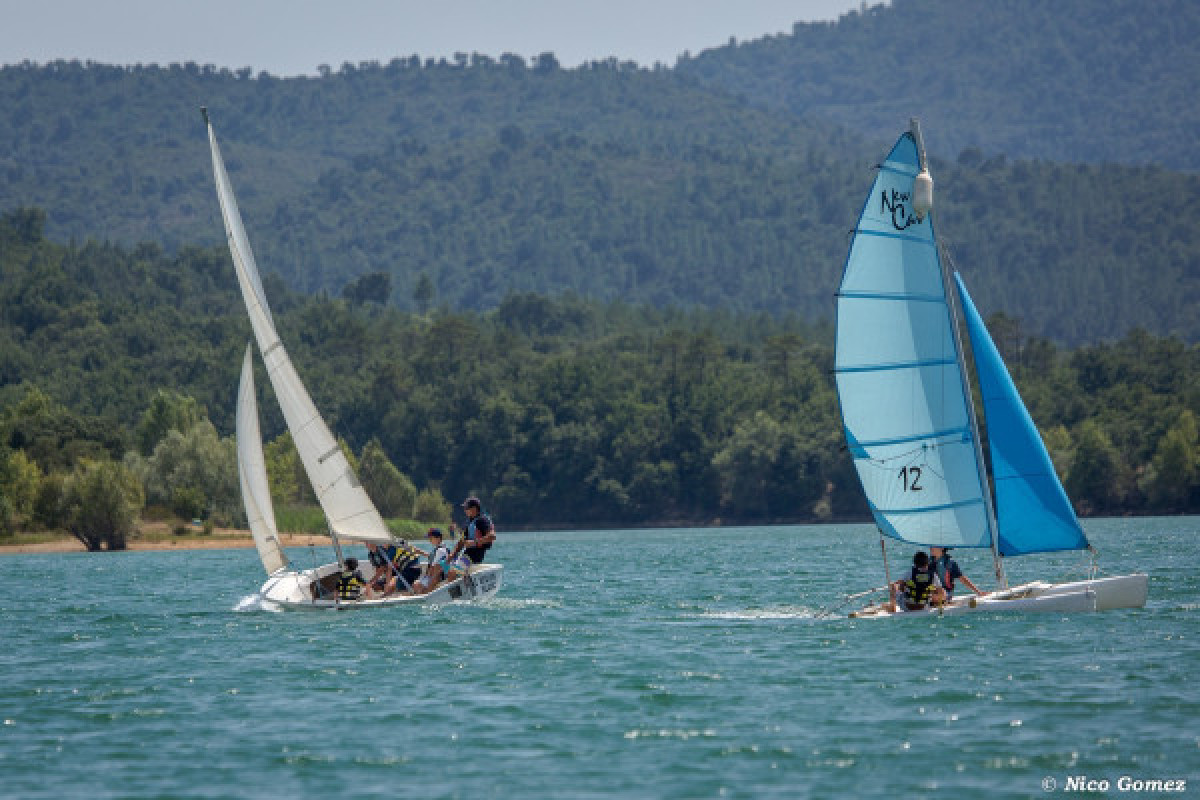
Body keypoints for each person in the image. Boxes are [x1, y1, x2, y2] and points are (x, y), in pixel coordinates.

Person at [451, 496, 496, 566]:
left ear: (474, 509)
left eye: (466, 508)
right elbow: (462, 541)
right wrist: (452, 555)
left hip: (475, 555)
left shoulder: (482, 521)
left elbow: (492, 536)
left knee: (453, 571)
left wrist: (474, 542)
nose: (465, 510)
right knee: (446, 566)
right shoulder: (469, 522)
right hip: (467, 553)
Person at [408, 528, 451, 595]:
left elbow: (434, 567)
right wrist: (420, 552)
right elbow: (432, 557)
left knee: (416, 585)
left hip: (435, 576)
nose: (430, 541)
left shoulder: (440, 551)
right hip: (435, 575)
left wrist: (427, 588)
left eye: (431, 538)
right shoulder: (441, 548)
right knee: (415, 584)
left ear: (438, 538)